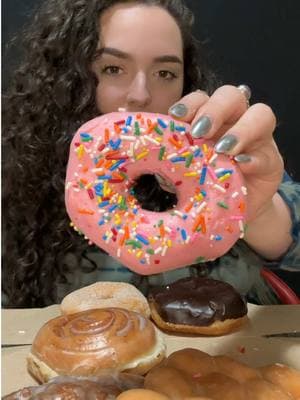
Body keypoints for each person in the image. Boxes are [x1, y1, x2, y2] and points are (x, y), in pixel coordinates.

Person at [2, 0, 300, 308]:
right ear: (69, 78)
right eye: (113, 69)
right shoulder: (14, 178)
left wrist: (260, 213)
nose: (141, 94)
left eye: (165, 72)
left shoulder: (222, 155)